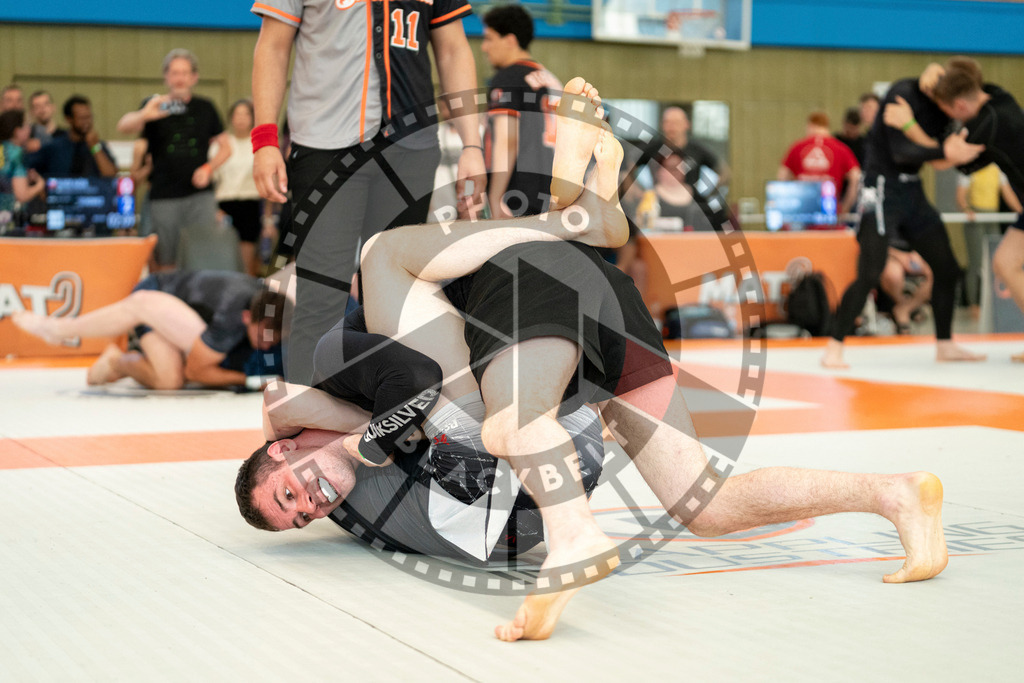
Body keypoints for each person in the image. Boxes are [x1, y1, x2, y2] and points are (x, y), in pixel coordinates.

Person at [236, 78, 948, 643]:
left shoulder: (343, 369)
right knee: (705, 504)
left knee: (502, 419)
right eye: (301, 516)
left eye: (292, 491)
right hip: (601, 314)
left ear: (287, 446)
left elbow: (314, 403)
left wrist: (319, 418)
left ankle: (575, 533)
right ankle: (894, 495)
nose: (312, 505)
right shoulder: (365, 467)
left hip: (531, 294)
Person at [249, 0, 486, 386]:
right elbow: (273, 45)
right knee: (321, 291)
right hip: (325, 147)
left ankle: (386, 422)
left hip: (411, 147)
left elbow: (452, 48)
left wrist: (472, 144)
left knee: (395, 295)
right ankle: (306, 430)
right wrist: (265, 140)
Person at [821, 68, 987, 369]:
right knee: (870, 270)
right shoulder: (903, 93)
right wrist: (943, 149)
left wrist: (946, 150)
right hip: (881, 186)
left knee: (947, 268)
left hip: (912, 189)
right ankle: (835, 345)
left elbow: (937, 161)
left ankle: (945, 343)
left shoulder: (944, 113)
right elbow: (902, 151)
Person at [12, 270, 285, 390]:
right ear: (247, 317)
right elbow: (196, 371)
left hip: (180, 314)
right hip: (155, 293)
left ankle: (117, 360)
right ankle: (60, 329)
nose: (265, 345)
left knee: (170, 381)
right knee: (177, 375)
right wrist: (248, 381)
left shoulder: (270, 305)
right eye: (262, 337)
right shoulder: (231, 315)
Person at [919, 57, 1024, 362]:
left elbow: (941, 160)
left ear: (961, 107)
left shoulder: (986, 126)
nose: (949, 117)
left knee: (1006, 262)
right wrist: (936, 71)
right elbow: (964, 77)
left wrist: (909, 128)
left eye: (948, 111)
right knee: (1005, 262)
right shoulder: (996, 94)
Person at [117, 49, 232, 271]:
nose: (179, 78)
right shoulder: (154, 106)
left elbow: (226, 148)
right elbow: (123, 126)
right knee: (166, 259)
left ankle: (199, 303)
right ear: (166, 77)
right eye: (175, 73)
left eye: (184, 73)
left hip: (200, 196)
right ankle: (169, 303)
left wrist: (208, 168)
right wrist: (144, 115)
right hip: (164, 195)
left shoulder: (205, 107)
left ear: (194, 77)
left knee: (202, 255)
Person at [481, 4, 560, 217]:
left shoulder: (509, 77)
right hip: (554, 195)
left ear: (510, 40)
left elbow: (507, 140)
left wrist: (495, 198)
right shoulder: (552, 79)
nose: (484, 47)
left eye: (489, 38)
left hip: (519, 195)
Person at [956, 164, 1022, 317]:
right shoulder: (969, 170)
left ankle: (994, 304)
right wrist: (966, 209)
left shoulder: (997, 170)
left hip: (993, 216)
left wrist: (1020, 211)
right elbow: (960, 196)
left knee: (997, 261)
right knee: (976, 262)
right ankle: (974, 303)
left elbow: (1008, 194)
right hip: (976, 217)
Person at [212, 99, 265, 276]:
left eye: (246, 114)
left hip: (250, 203)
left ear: (252, 118)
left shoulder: (260, 144)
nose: (241, 119)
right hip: (224, 205)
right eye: (237, 114)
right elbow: (211, 179)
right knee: (223, 258)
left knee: (247, 262)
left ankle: (247, 298)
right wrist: (214, 208)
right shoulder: (221, 143)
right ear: (231, 118)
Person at [777, 111, 861, 220]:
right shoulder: (841, 149)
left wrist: (789, 206)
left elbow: (782, 177)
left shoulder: (797, 147)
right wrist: (845, 207)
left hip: (802, 214)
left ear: (810, 126)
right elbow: (856, 177)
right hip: (830, 212)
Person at [30, 95, 117, 178]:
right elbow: (30, 166)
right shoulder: (55, 147)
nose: (86, 122)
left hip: (92, 192)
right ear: (69, 119)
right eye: (82, 118)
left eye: (89, 117)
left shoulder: (97, 146)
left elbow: (110, 175)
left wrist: (95, 147)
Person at [0, 109, 45, 226]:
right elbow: (22, 195)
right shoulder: (18, 154)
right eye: (26, 125)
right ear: (17, 131)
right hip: (7, 221)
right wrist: (40, 184)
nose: (29, 129)